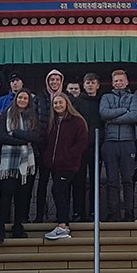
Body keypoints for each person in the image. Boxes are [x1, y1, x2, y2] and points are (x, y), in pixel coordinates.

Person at [0, 89, 40, 244]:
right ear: (16, 99)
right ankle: (0, 228)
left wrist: (16, 133)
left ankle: (18, 227)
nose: (22, 100)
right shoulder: (5, 114)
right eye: (20, 97)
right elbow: (2, 137)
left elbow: (35, 136)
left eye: (25, 98)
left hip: (28, 163)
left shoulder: (32, 116)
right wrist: (23, 140)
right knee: (6, 196)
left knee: (22, 197)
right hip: (8, 163)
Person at [42, 93, 89, 241]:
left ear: (67, 103)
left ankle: (62, 225)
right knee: (61, 192)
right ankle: (64, 224)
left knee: (57, 189)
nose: (57, 105)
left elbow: (82, 143)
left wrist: (68, 155)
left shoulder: (77, 121)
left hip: (69, 164)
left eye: (60, 102)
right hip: (55, 165)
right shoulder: (53, 122)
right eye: (55, 103)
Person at [99, 69, 137, 222]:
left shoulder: (133, 97)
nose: (118, 83)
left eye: (121, 80)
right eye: (116, 81)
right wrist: (124, 111)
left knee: (128, 179)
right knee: (112, 180)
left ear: (127, 82)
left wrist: (113, 118)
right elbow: (103, 114)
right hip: (110, 142)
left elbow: (134, 116)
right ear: (112, 83)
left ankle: (129, 212)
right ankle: (113, 213)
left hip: (128, 142)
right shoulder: (106, 97)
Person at [32, 69, 68, 221]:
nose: (54, 82)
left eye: (57, 80)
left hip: (60, 149)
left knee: (60, 185)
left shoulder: (66, 98)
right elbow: (34, 122)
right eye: (51, 79)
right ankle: (39, 215)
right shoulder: (39, 99)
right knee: (42, 183)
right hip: (42, 147)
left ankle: (62, 217)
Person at [72, 72, 104, 222]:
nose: (90, 85)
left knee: (95, 180)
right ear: (83, 85)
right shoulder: (77, 102)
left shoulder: (102, 102)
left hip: (97, 146)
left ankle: (93, 211)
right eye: (87, 83)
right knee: (79, 181)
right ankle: (79, 212)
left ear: (97, 85)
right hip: (80, 147)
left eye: (93, 82)